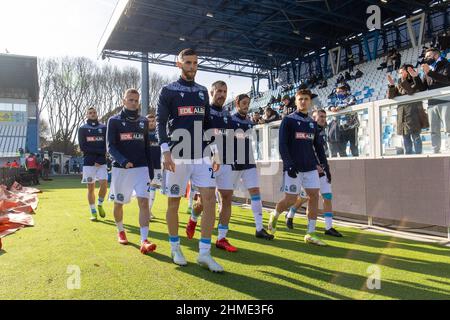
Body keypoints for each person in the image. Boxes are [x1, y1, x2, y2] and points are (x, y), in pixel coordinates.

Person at [156, 48, 222, 272]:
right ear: (179, 64)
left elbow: (207, 124)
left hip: (202, 155)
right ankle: (175, 248)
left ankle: (205, 254)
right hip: (177, 154)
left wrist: (215, 150)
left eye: (195, 63)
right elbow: (160, 122)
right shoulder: (168, 90)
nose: (192, 66)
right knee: (173, 202)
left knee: (210, 201)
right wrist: (165, 151)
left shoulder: (203, 91)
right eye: (188, 62)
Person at [268, 88, 330, 246]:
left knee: (314, 196)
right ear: (296, 101)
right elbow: (282, 144)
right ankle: (274, 215)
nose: (303, 101)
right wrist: (288, 164)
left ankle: (310, 233)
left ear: (310, 102)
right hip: (294, 168)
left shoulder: (311, 123)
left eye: (306, 99)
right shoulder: (288, 120)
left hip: (310, 167)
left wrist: (325, 167)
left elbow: (319, 147)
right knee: (290, 200)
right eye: (300, 99)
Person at [107, 88, 156, 255]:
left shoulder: (143, 122)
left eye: (136, 100)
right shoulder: (113, 121)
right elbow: (110, 146)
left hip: (141, 169)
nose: (134, 103)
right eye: (130, 100)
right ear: (124, 101)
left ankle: (144, 240)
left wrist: (150, 171)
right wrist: (123, 160)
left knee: (144, 202)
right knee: (118, 203)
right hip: (121, 169)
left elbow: (147, 148)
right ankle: (121, 231)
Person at [286, 109, 342, 237]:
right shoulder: (308, 131)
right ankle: (290, 214)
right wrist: (314, 165)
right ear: (313, 118)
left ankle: (328, 228)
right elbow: (305, 151)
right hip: (310, 169)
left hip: (322, 169)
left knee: (327, 196)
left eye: (324, 116)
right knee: (305, 198)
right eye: (320, 116)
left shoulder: (325, 131)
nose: (323, 119)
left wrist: (325, 168)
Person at [387, 64, 427, 154]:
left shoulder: (415, 81)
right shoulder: (399, 83)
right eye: (400, 73)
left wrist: (404, 80)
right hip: (402, 114)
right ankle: (409, 155)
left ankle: (419, 155)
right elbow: (391, 96)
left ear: (408, 72)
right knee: (405, 138)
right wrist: (392, 85)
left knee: (416, 136)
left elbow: (411, 92)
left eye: (402, 72)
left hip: (414, 113)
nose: (401, 75)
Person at [417, 48, 450, 153]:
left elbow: (446, 80)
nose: (426, 58)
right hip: (432, 103)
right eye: (425, 57)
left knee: (448, 128)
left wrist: (430, 72)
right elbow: (422, 88)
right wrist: (415, 77)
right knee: (434, 130)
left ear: (436, 55)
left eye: (428, 56)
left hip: (445, 100)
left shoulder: (446, 64)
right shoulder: (428, 70)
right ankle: (436, 150)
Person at [78, 107, 108, 221]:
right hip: (88, 163)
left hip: (101, 162)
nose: (92, 114)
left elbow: (106, 145)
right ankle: (93, 211)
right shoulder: (82, 129)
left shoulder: (104, 128)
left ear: (97, 114)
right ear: (87, 115)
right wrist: (99, 153)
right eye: (90, 113)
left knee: (104, 185)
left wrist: (100, 158)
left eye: (94, 112)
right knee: (90, 188)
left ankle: (100, 204)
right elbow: (83, 147)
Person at [146, 113, 162, 221]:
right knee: (148, 189)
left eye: (153, 121)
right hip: (146, 167)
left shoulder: (159, 134)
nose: (151, 123)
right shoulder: (143, 135)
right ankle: (147, 211)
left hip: (157, 167)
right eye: (149, 121)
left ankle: (148, 210)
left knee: (153, 189)